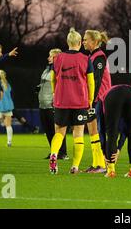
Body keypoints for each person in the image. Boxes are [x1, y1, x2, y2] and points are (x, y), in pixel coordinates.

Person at [49, 28, 95, 174]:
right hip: (80, 102)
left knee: (60, 132)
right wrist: (90, 100)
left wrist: (55, 92)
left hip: (62, 101)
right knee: (78, 134)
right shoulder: (86, 59)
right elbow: (91, 82)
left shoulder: (58, 58)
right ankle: (75, 166)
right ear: (80, 42)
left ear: (68, 42)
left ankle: (54, 154)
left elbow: (52, 78)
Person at [81, 30, 110, 173]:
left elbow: (96, 80)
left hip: (100, 98)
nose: (83, 42)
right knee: (93, 130)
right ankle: (97, 163)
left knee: (97, 130)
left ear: (94, 41)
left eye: (86, 39)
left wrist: (91, 100)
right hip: (95, 98)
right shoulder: (92, 56)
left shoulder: (99, 57)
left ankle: (101, 164)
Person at [99, 85, 131, 178]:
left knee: (111, 134)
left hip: (114, 95)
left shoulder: (100, 103)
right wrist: (118, 149)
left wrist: (105, 152)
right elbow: (126, 129)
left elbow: (101, 130)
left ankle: (111, 170)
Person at [38, 48, 68, 160]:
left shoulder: (60, 71)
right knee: (48, 130)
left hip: (53, 105)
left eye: (51, 56)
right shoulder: (46, 70)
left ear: (57, 57)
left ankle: (63, 153)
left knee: (58, 130)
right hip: (43, 104)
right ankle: (53, 152)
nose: (48, 58)